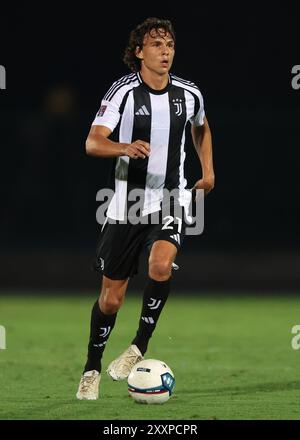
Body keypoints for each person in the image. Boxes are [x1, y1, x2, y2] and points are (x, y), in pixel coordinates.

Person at [76, 17, 214, 400]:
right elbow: (92, 142)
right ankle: (91, 368)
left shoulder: (188, 94)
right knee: (111, 299)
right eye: (156, 44)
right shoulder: (123, 92)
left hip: (170, 197)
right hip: (125, 205)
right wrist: (124, 147)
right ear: (139, 52)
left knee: (160, 263)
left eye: (169, 44)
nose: (165, 50)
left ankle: (138, 346)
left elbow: (201, 126)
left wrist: (208, 170)